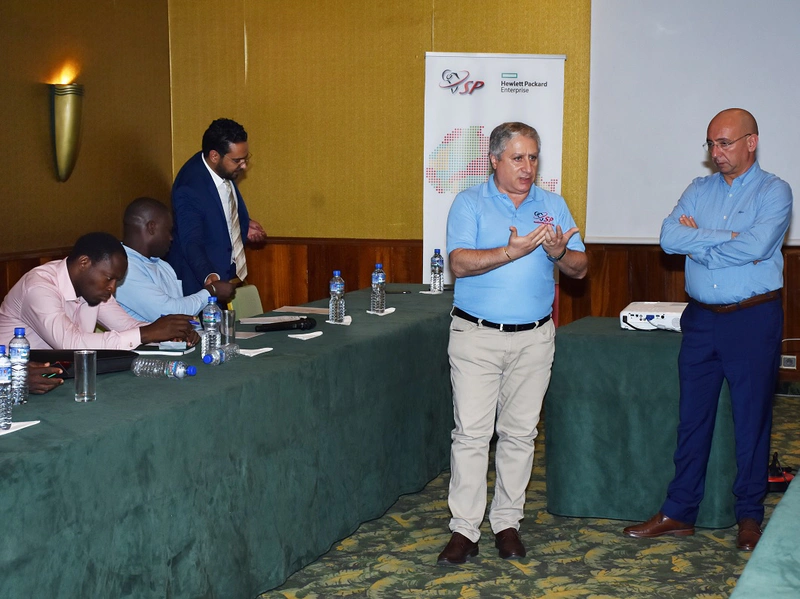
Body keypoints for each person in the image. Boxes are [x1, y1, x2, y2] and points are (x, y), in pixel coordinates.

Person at [623, 108, 792, 551]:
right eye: (711, 144)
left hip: (752, 318)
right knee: (692, 418)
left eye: (725, 143)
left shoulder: (775, 192)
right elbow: (669, 238)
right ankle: (679, 511)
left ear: (751, 142)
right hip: (700, 319)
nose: (716, 153)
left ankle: (749, 517)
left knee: (751, 420)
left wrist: (702, 242)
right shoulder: (698, 189)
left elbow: (757, 246)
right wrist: (728, 240)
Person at [436, 122, 588, 566]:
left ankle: (506, 523)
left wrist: (559, 252)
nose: (528, 167)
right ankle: (464, 530)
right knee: (471, 435)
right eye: (518, 158)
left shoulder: (552, 205)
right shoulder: (470, 203)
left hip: (535, 338)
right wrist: (513, 251)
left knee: (520, 434)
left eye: (534, 157)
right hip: (476, 336)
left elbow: (580, 267)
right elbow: (460, 263)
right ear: (495, 159)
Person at [0, 232, 200, 352]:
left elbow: (128, 327)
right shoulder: (39, 287)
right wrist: (147, 333)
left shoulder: (94, 290)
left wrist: (168, 333)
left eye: (116, 281)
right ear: (84, 263)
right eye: (109, 278)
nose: (112, 288)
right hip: (14, 381)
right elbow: (71, 344)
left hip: (60, 378)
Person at [167, 118, 267, 295]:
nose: (243, 166)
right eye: (237, 160)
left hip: (225, 276)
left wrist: (243, 223)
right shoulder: (189, 188)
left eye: (245, 159)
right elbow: (191, 241)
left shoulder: (219, 168)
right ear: (214, 156)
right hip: (198, 286)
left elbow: (217, 209)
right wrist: (209, 277)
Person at [116, 197, 236, 321]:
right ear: (151, 228)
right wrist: (211, 291)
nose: (171, 238)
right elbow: (170, 314)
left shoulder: (162, 266)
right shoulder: (124, 267)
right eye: (168, 231)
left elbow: (185, 316)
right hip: (146, 341)